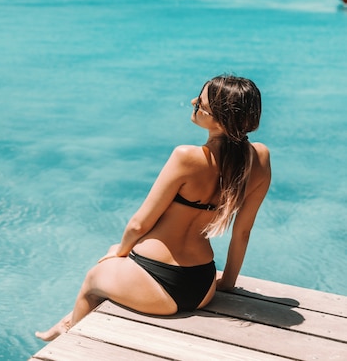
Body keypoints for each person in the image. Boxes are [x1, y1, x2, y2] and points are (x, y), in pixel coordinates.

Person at [35, 74, 271, 341]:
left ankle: (70, 343)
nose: (193, 101)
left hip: (156, 280)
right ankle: (66, 323)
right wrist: (226, 284)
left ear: (219, 118)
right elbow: (243, 232)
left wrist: (120, 253)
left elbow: (139, 224)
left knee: (94, 278)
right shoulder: (259, 159)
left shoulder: (188, 157)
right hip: (202, 286)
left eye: (200, 103)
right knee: (115, 256)